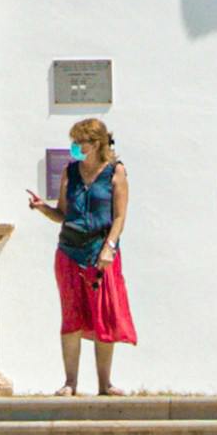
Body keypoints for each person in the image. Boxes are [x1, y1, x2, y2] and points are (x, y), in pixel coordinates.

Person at [45, 116, 136, 395]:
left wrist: (109, 246)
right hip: (70, 250)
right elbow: (62, 213)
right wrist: (41, 207)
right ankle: (70, 382)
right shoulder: (70, 172)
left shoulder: (115, 172)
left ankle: (104, 383)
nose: (74, 147)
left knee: (103, 316)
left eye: (79, 142)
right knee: (71, 315)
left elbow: (119, 216)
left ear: (95, 144)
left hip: (100, 253)